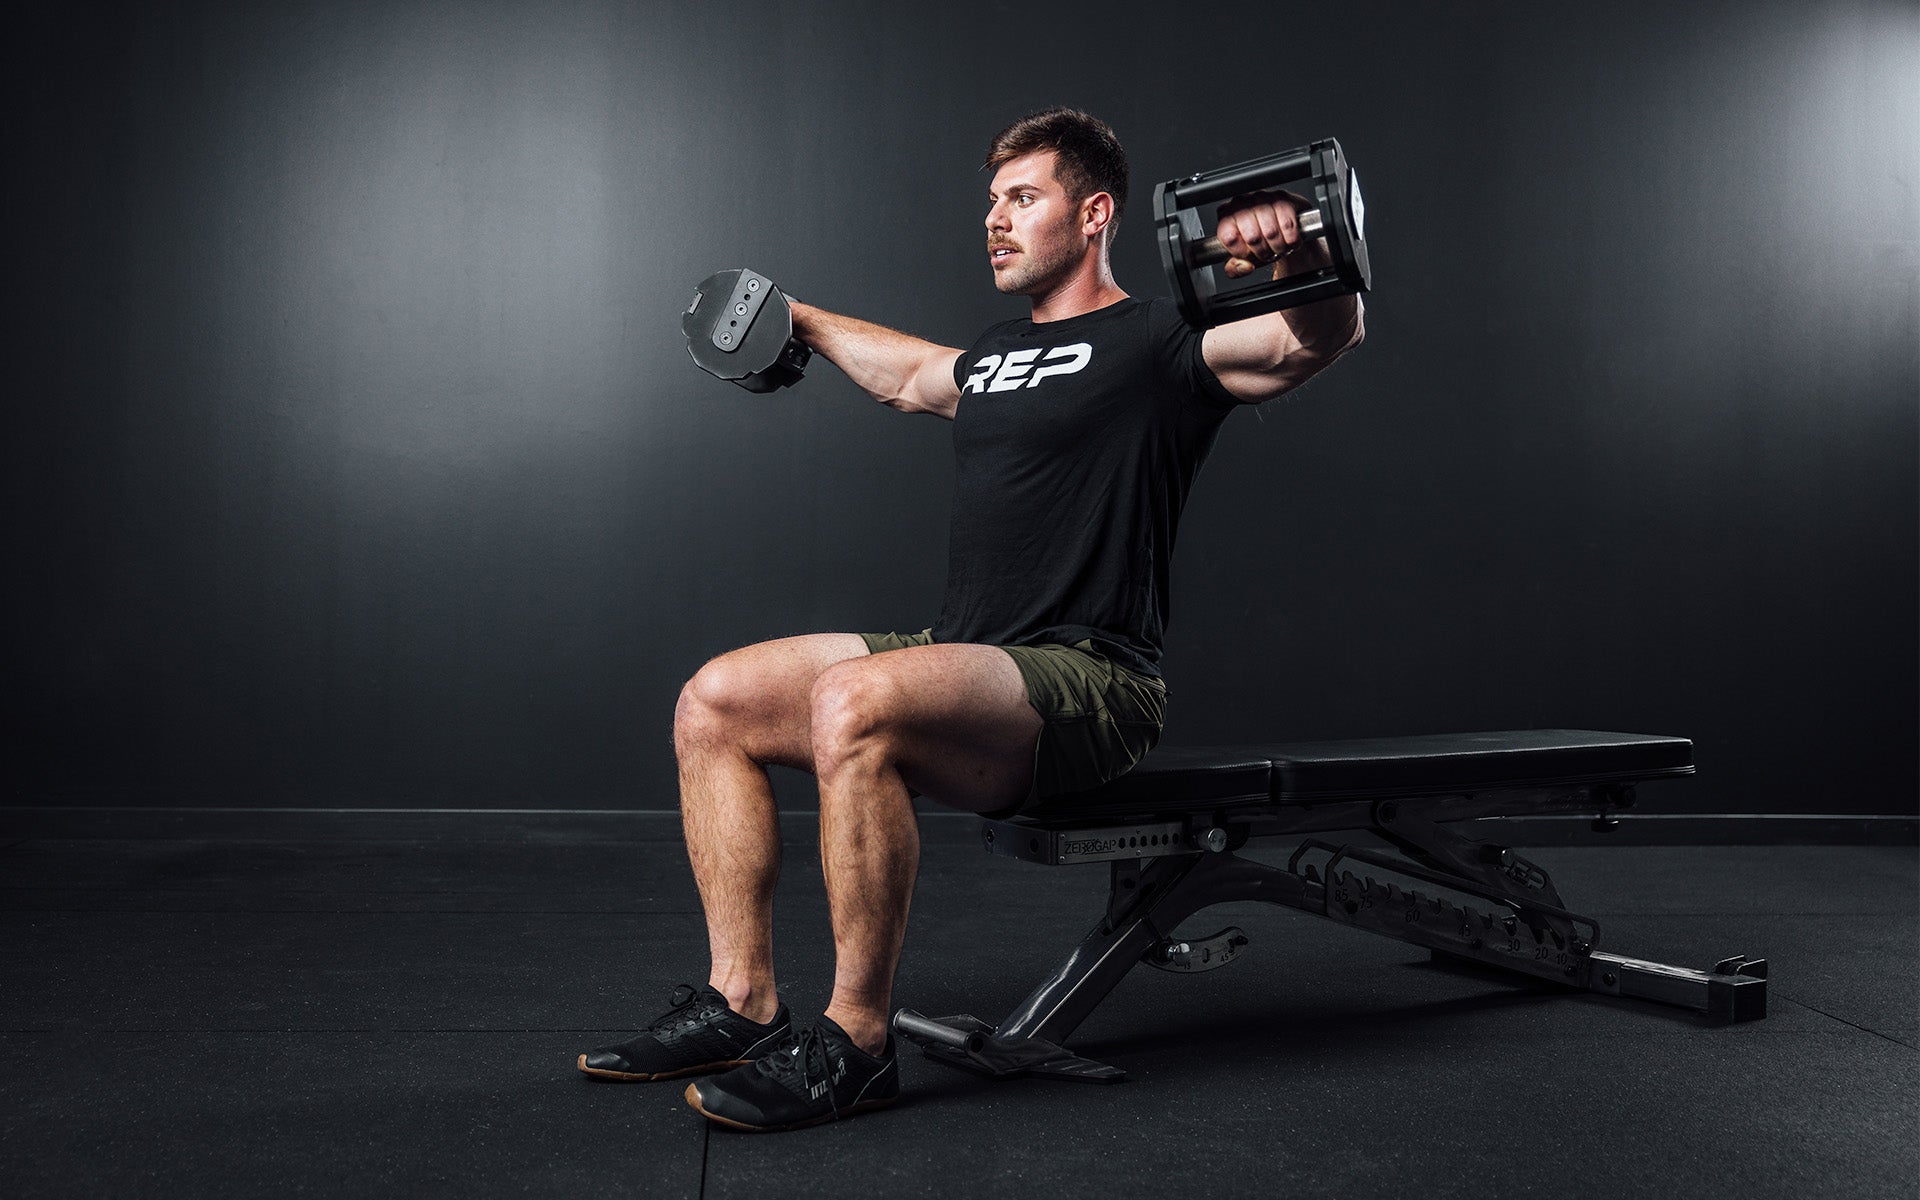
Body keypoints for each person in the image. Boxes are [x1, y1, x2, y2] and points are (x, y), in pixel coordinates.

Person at [578, 108, 1364, 1131]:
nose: (994, 220)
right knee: (713, 700)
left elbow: (1309, 342)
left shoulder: (1165, 342)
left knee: (854, 700)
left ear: (1094, 215)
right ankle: (741, 1003)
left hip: (1090, 678)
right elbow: (910, 376)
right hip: (971, 657)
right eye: (991, 202)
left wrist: (1309, 253)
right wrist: (801, 319)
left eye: (1022, 199)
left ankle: (857, 1044)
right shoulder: (996, 356)